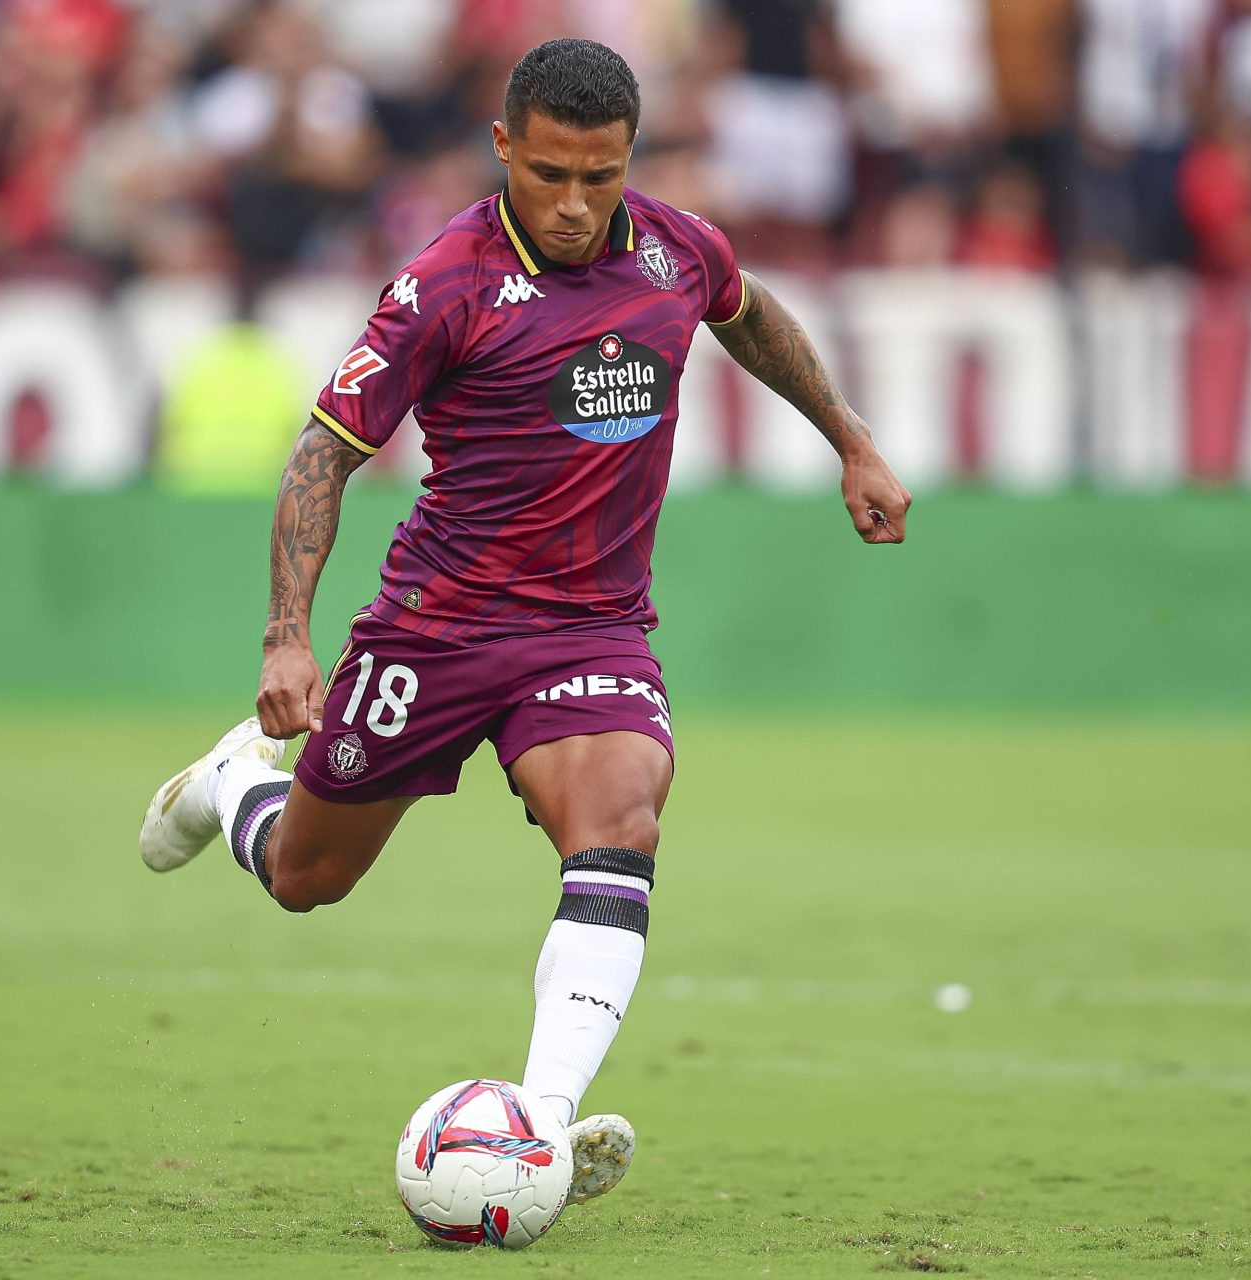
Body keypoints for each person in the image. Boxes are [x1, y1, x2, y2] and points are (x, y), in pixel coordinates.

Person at [137, 38, 911, 1210]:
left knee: (621, 817)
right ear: (504, 146)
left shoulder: (677, 249)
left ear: (631, 155)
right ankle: (229, 784)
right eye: (550, 173)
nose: (575, 203)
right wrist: (287, 634)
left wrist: (850, 438)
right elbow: (321, 456)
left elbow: (747, 314)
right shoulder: (443, 285)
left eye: (601, 175)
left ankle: (541, 1121)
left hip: (592, 630)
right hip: (435, 630)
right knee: (306, 876)